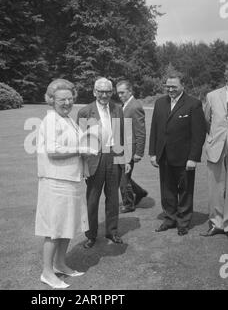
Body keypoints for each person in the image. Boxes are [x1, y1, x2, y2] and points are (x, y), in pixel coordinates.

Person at [35, 79, 96, 289]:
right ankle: (47, 272)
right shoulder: (51, 120)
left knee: (66, 226)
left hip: (70, 179)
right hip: (55, 181)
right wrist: (81, 150)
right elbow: (53, 150)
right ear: (51, 100)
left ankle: (60, 264)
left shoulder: (68, 119)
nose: (67, 102)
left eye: (70, 98)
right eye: (62, 99)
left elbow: (76, 144)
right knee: (54, 229)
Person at [149, 72, 206, 236]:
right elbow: (155, 129)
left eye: (174, 86)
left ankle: (183, 222)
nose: (170, 89)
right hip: (164, 156)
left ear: (182, 86)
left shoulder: (193, 104)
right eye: (168, 86)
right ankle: (169, 219)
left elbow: (198, 134)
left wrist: (193, 158)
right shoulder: (160, 103)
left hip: (184, 158)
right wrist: (153, 153)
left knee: (185, 191)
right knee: (167, 190)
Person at [77, 77, 130, 249]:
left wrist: (124, 159)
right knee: (92, 199)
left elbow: (121, 136)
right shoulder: (85, 112)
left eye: (108, 91)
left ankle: (112, 231)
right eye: (101, 91)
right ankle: (91, 235)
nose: (105, 95)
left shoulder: (117, 108)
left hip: (114, 157)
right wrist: (83, 165)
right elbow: (82, 142)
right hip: (94, 159)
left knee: (113, 198)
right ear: (94, 92)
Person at [201, 63, 228, 237]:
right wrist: (212, 137)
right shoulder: (212, 96)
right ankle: (216, 223)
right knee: (215, 186)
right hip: (216, 145)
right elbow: (206, 120)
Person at [116, 80, 148, 213]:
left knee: (123, 178)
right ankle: (139, 192)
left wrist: (139, 153)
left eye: (122, 92)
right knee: (122, 176)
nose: (120, 95)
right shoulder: (125, 105)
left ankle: (128, 204)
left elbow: (141, 132)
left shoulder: (135, 107)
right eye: (118, 93)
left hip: (130, 149)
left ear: (130, 91)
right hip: (120, 148)